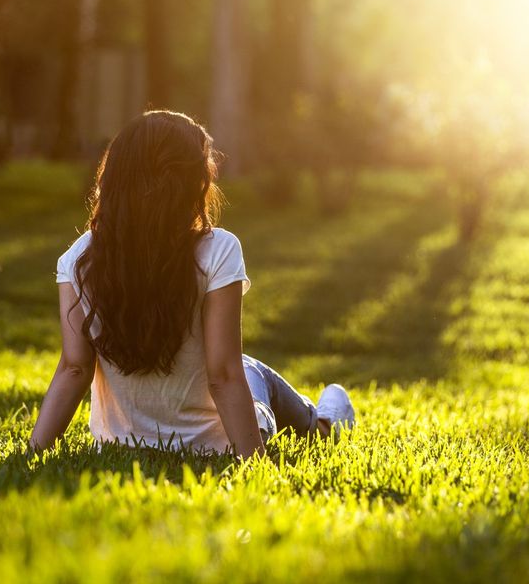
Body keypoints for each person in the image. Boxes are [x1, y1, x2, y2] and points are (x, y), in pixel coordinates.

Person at [29, 110, 355, 459]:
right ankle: (324, 425)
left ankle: (320, 417)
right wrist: (255, 463)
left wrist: (32, 453)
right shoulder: (220, 249)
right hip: (214, 444)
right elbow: (224, 373)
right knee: (247, 367)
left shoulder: (78, 259)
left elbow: (74, 368)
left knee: (245, 367)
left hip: (121, 441)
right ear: (192, 181)